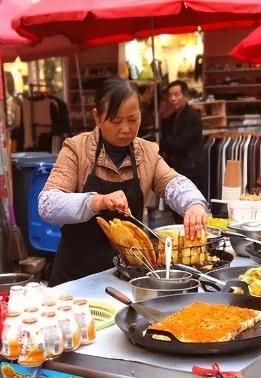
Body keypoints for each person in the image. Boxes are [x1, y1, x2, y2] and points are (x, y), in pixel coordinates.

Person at [38, 77, 208, 286]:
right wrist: (95, 201)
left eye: (133, 119)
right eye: (116, 121)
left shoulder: (147, 152)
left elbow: (174, 183)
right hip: (75, 277)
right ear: (97, 117)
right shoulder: (77, 149)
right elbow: (47, 204)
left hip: (127, 276)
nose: (126, 129)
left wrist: (194, 204)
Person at [160, 80, 204, 223]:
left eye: (176, 94)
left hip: (190, 168)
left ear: (185, 95)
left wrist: (166, 142)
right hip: (176, 168)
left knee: (189, 206)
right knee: (176, 208)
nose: (172, 98)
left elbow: (182, 143)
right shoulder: (171, 118)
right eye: (170, 95)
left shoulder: (193, 117)